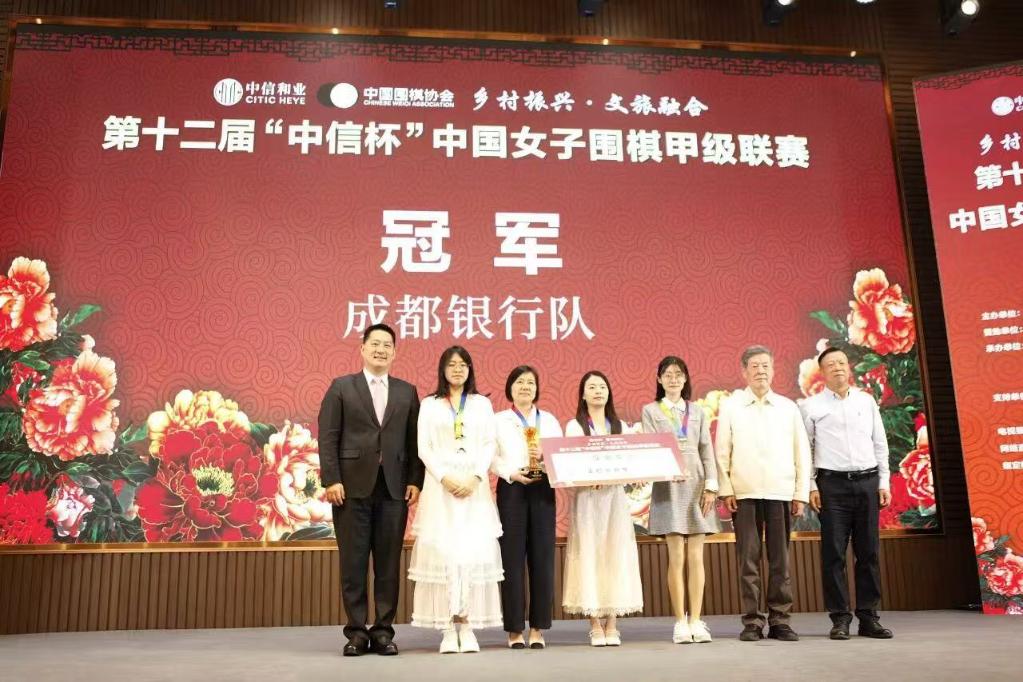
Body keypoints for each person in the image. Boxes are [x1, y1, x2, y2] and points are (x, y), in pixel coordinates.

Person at [318, 323, 422, 657]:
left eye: (387, 345)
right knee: (354, 563)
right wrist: (331, 479)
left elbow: (414, 441)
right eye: (374, 344)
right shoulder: (341, 387)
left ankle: (383, 632)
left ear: (395, 352)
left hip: (393, 489)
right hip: (350, 488)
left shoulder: (407, 392)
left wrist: (415, 480)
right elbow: (328, 436)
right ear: (362, 349)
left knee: (388, 565)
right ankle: (357, 632)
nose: (380, 350)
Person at [408, 346, 504, 654]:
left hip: (474, 489)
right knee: (444, 554)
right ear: (442, 369)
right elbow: (423, 447)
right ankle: (448, 628)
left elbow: (489, 444)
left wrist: (475, 477)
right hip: (441, 489)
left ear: (470, 369)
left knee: (472, 554)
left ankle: (468, 626)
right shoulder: (429, 404)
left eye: (463, 364)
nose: (458, 369)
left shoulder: (481, 404)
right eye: (452, 365)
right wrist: (444, 477)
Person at [715, 345, 811, 642]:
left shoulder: (787, 407)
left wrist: (800, 493)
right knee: (748, 560)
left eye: (765, 365)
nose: (760, 371)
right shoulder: (731, 406)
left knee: (780, 560)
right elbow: (722, 451)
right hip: (744, 493)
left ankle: (780, 620)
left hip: (781, 491)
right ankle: (753, 621)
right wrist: (726, 488)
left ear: (773, 370)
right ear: (744, 371)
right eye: (754, 366)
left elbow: (801, 451)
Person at [801, 347, 894, 640]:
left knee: (869, 553)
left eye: (841, 362)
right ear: (822, 372)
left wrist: (884, 481)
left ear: (849, 367)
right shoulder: (811, 406)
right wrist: (811, 485)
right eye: (831, 364)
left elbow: (880, 442)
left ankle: (869, 617)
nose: (837, 367)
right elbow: (805, 449)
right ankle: (839, 618)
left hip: (868, 482)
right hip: (832, 486)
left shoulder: (866, 401)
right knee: (833, 555)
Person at [641, 356, 720, 644]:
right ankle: (680, 622)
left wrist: (711, 485)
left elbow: (706, 449)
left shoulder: (697, 410)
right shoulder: (650, 410)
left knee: (696, 557)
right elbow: (650, 447)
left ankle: (697, 620)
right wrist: (665, 469)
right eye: (667, 374)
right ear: (659, 379)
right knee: (676, 557)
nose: (673, 379)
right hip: (668, 485)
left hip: (697, 485)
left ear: (685, 378)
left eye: (678, 374)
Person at [562, 371, 643, 647]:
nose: (598, 391)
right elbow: (569, 463)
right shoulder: (575, 426)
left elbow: (631, 462)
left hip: (615, 499)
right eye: (592, 387)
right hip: (588, 499)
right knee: (590, 554)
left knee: (614, 554)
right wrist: (587, 477)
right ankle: (595, 624)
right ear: (583, 395)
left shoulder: (621, 427)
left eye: (602, 386)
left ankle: (612, 624)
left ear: (609, 393)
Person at [492, 365, 563, 650]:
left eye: (530, 382)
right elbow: (490, 456)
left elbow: (561, 455)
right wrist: (510, 473)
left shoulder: (550, 420)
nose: (525, 387)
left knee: (542, 558)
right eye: (520, 382)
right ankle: (514, 629)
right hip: (512, 488)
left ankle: (537, 627)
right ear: (510, 388)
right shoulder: (498, 420)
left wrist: (545, 456)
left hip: (543, 488)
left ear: (537, 389)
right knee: (511, 559)